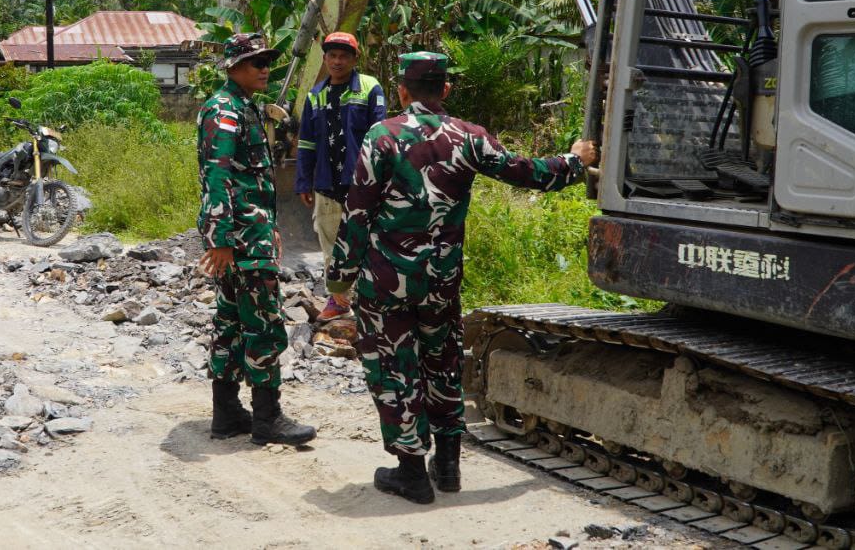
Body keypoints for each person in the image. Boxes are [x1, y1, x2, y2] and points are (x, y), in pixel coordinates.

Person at [328, 52, 598, 504]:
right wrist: (573, 161)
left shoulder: (382, 136)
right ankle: (448, 465)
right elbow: (527, 173)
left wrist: (340, 277)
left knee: (396, 368)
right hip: (441, 280)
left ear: (402, 91)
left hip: (388, 282)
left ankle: (412, 471)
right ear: (446, 90)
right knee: (442, 362)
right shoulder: (470, 137)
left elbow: (358, 211)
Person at [198, 32, 316, 447]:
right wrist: (221, 237)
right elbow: (218, 175)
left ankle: (227, 413)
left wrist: (270, 228)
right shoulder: (226, 110)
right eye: (255, 62)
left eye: (266, 61)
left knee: (231, 322)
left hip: (250, 232)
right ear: (233, 67)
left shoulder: (242, 106)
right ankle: (267, 418)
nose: (265, 68)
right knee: (263, 323)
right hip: (241, 238)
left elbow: (253, 180)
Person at [294, 31, 385, 322]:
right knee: (331, 245)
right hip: (326, 183)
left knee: (370, 244)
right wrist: (303, 181)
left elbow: (382, 136)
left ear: (355, 59)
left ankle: (370, 302)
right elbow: (306, 142)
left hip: (363, 184)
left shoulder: (370, 88)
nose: (337, 61)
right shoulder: (316, 94)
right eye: (332, 55)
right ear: (324, 59)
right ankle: (338, 300)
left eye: (343, 55)